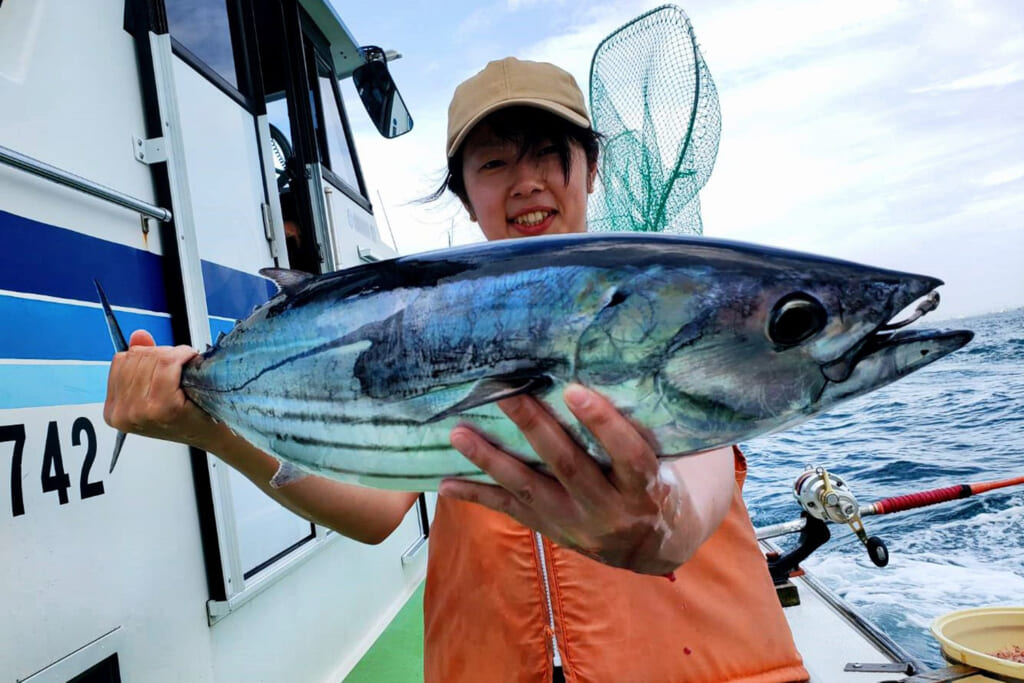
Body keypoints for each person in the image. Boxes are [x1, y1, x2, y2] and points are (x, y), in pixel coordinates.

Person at [104, 57, 809, 683]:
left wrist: (663, 528)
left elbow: (699, 480)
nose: (527, 181)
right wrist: (210, 427)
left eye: (547, 153)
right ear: (466, 194)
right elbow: (380, 509)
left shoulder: (662, 298)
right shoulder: (431, 317)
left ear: (591, 167)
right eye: (494, 163)